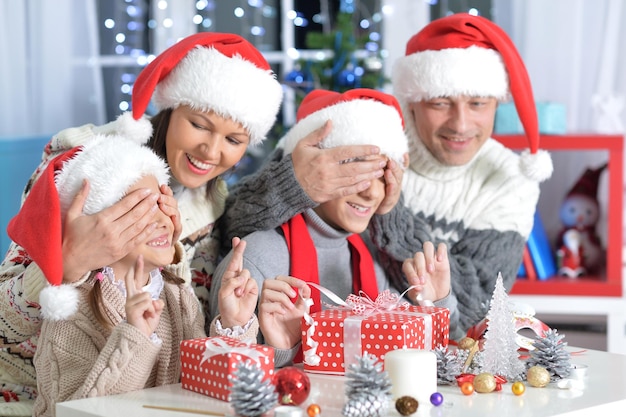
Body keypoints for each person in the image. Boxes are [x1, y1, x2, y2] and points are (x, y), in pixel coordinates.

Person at [219, 13, 553, 342]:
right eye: (439, 103)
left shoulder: (510, 179)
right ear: (412, 102)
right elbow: (231, 228)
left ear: (499, 102)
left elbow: (472, 315)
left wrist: (389, 213)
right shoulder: (368, 128)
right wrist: (296, 184)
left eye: (478, 103)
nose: (461, 125)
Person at [0, 32, 282, 414]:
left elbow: (180, 343)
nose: (211, 151)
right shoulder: (84, 169)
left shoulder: (211, 204)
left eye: (234, 139)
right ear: (169, 109)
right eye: (199, 124)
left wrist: (230, 322)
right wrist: (64, 266)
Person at [6, 134, 259, 417]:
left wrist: (233, 326)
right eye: (138, 211)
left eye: (162, 203)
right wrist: (135, 337)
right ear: (99, 228)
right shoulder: (73, 313)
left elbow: (209, 389)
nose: (163, 221)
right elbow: (78, 413)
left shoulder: (176, 294)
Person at [210, 88, 452, 365]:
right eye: (354, 171)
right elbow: (226, 374)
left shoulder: (375, 256)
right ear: (315, 168)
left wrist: (435, 303)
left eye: (383, 174)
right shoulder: (258, 255)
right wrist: (282, 350)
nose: (371, 193)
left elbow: (415, 358)